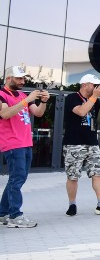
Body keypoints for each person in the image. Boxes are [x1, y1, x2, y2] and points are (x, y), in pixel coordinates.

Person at [0, 65, 49, 228]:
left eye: (23, 78)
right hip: (12, 143)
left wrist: (43, 101)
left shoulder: (21, 95)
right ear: (8, 79)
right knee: (17, 178)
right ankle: (15, 215)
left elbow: (38, 113)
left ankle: (3, 213)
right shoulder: (2, 95)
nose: (22, 81)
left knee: (18, 178)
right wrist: (26, 100)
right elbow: (5, 114)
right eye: (19, 78)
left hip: (25, 142)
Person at [63, 74, 100, 216]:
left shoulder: (95, 100)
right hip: (74, 143)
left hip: (91, 142)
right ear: (85, 84)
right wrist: (94, 97)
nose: (97, 88)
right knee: (73, 176)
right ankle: (72, 204)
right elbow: (81, 111)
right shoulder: (72, 98)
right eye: (94, 85)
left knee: (97, 173)